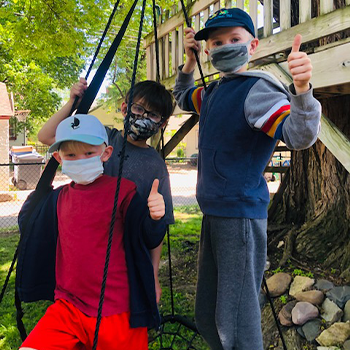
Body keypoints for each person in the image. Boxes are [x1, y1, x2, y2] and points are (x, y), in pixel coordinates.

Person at [173, 7, 321, 350]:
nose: (226, 46)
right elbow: (183, 96)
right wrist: (189, 63)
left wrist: (302, 90)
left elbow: (297, 136)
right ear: (208, 50)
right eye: (217, 42)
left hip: (239, 217)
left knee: (235, 320)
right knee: (209, 312)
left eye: (234, 39)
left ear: (252, 46)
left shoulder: (257, 91)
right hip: (214, 213)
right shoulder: (212, 93)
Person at [20, 114, 166, 350]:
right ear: (59, 158)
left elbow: (147, 237)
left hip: (117, 310)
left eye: (89, 153)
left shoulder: (124, 192)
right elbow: (30, 226)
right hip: (69, 307)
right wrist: (37, 195)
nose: (80, 159)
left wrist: (155, 217)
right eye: (71, 155)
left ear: (106, 153)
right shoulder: (58, 198)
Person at [38, 79, 175, 303]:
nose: (142, 117)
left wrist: (153, 275)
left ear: (161, 124)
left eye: (153, 115)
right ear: (124, 108)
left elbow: (159, 225)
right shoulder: (102, 138)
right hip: (83, 246)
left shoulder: (155, 166)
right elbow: (46, 136)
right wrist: (72, 103)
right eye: (138, 108)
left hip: (121, 256)